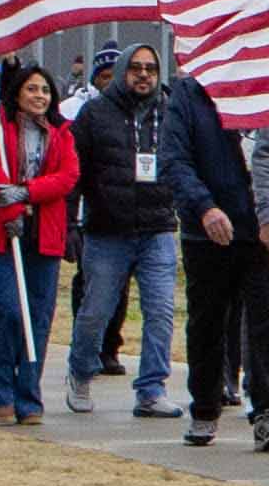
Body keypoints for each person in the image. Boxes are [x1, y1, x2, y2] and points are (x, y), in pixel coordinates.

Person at [61, 42, 194, 419]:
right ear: (122, 71)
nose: (144, 75)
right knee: (96, 310)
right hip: (107, 230)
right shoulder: (95, 113)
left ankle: (151, 389)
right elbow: (74, 172)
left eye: (151, 68)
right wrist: (71, 223)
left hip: (158, 228)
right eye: (136, 68)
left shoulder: (171, 112)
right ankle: (82, 370)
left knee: (161, 311)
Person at [0, 59, 79, 425]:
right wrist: (10, 213)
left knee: (37, 316)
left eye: (44, 89)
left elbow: (68, 175)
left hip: (44, 232)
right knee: (5, 307)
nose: (39, 96)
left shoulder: (61, 131)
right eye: (32, 89)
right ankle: (2, 392)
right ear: (17, 93)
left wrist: (26, 193)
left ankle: (29, 397)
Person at [163, 58, 269, 447]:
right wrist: (204, 207)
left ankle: (266, 411)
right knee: (208, 323)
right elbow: (174, 160)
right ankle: (205, 407)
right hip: (207, 233)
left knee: (266, 324)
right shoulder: (189, 95)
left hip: (261, 229)